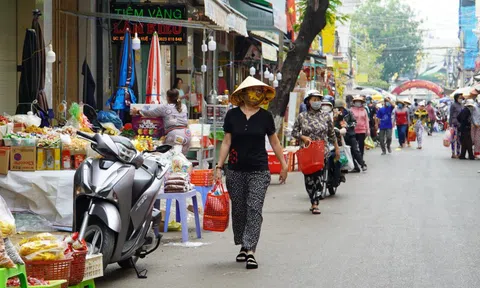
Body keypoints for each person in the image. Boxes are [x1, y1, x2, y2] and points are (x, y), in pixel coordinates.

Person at [215, 76, 288, 269]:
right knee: (239, 210)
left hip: (259, 170)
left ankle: (250, 249)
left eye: (258, 90)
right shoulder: (231, 115)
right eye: (250, 90)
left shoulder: (265, 117)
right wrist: (219, 166)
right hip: (235, 170)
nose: (254, 94)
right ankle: (242, 243)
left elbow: (274, 142)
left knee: (254, 208)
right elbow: (226, 142)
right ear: (242, 93)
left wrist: (283, 164)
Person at [292, 90, 340, 215]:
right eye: (314, 99)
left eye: (318, 99)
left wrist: (337, 147)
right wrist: (303, 137)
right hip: (307, 151)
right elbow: (294, 132)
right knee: (309, 179)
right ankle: (311, 197)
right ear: (308, 101)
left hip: (321, 152)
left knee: (318, 177)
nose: (317, 102)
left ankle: (315, 203)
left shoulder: (325, 116)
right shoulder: (302, 116)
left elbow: (331, 134)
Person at [131, 89, 191, 154]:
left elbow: (150, 113)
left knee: (167, 156)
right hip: (187, 134)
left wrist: (137, 111)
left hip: (174, 135)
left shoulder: (164, 107)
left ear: (167, 97)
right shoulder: (183, 106)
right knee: (182, 159)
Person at [334, 99, 367, 172]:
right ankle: (354, 166)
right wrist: (336, 118)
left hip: (350, 134)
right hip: (341, 136)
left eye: (340, 108)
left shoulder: (348, 112)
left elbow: (354, 122)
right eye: (337, 108)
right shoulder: (334, 115)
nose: (339, 110)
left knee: (355, 150)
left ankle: (363, 164)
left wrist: (347, 125)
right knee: (347, 152)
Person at [449, 93, 463, 158]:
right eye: (459, 97)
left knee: (459, 139)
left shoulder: (462, 105)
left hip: (460, 124)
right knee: (453, 139)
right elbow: (451, 115)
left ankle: (458, 153)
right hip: (454, 124)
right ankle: (453, 153)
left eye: (461, 97)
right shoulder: (453, 105)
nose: (461, 98)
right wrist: (449, 124)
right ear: (456, 98)